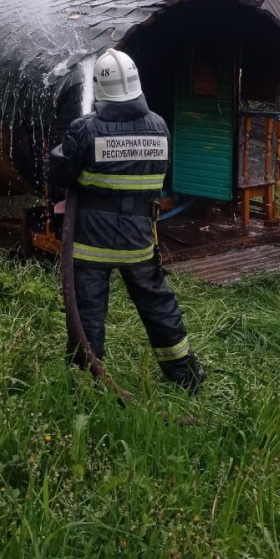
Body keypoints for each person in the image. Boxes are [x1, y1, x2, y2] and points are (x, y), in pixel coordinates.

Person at [47, 48, 206, 392]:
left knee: (87, 312)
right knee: (157, 304)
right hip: (138, 239)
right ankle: (185, 373)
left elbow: (60, 175)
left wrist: (65, 150)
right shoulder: (159, 127)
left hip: (91, 243)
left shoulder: (84, 129)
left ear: (99, 88)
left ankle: (85, 381)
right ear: (136, 85)